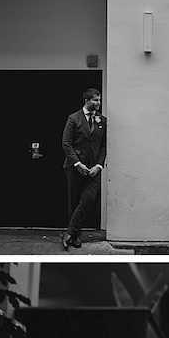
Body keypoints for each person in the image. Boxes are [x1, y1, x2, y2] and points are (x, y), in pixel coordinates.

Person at [61, 88, 106, 250]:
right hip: (75, 168)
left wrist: (98, 166)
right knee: (74, 202)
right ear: (87, 101)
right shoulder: (73, 118)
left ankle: (69, 232)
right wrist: (78, 164)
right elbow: (66, 143)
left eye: (99, 100)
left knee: (88, 199)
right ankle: (76, 236)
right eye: (95, 100)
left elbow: (103, 147)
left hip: (94, 169)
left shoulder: (102, 120)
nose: (98, 103)